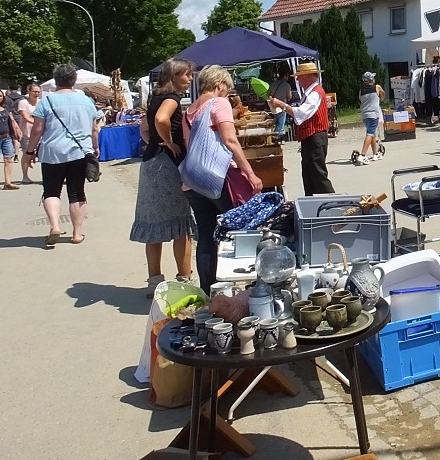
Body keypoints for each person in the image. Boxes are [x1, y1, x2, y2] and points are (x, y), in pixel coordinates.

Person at [183, 65, 263, 292]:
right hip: (219, 179)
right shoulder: (219, 103)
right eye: (227, 89)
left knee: (207, 237)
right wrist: (250, 173)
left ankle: (210, 291)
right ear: (219, 85)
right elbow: (230, 140)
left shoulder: (189, 111)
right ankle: (252, 287)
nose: (228, 94)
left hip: (193, 181)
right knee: (242, 230)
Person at [129, 58, 195, 295]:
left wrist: (155, 143)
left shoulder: (154, 98)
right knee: (181, 224)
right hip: (167, 167)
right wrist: (168, 142)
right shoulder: (171, 99)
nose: (190, 79)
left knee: (153, 225)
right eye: (187, 74)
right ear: (175, 75)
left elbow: (144, 128)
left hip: (151, 163)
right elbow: (160, 120)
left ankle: (155, 281)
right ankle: (184, 280)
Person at [25, 64, 103, 246]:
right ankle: (77, 234)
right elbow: (94, 129)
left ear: (56, 81)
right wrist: (95, 147)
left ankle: (54, 226)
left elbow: (36, 130)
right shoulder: (86, 101)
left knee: (51, 191)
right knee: (77, 193)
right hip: (79, 152)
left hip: (52, 153)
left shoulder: (46, 101)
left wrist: (29, 152)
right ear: (74, 80)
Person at [269, 61, 336, 193]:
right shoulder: (310, 92)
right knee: (309, 174)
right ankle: (312, 203)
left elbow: (301, 113)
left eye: (299, 76)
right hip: (311, 137)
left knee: (318, 175)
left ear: (307, 76)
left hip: (315, 137)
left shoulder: (315, 93)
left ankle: (333, 203)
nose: (298, 80)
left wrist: (282, 105)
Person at [0, 89, 21, 189]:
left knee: (9, 159)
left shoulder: (5, 109)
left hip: (6, 137)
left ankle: (8, 183)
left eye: (0, 96)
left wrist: (17, 130)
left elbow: (12, 121)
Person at [356, 71, 386, 165]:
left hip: (365, 114)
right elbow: (383, 94)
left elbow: (360, 99)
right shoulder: (376, 87)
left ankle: (375, 154)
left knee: (372, 132)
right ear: (371, 80)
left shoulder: (361, 90)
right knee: (370, 133)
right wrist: (380, 99)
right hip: (373, 114)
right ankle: (363, 155)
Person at [17, 82, 41, 184]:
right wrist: (39, 123)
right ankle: (25, 176)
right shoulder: (23, 103)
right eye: (34, 92)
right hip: (27, 133)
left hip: (40, 133)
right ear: (29, 91)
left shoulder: (41, 102)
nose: (36, 94)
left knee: (42, 154)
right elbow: (26, 117)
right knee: (26, 153)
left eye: (38, 92)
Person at [267, 62, 295, 138]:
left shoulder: (273, 84)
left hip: (273, 107)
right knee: (281, 123)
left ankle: (276, 135)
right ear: (285, 76)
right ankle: (278, 137)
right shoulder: (287, 85)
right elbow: (289, 97)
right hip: (282, 106)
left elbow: (268, 94)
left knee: (277, 122)